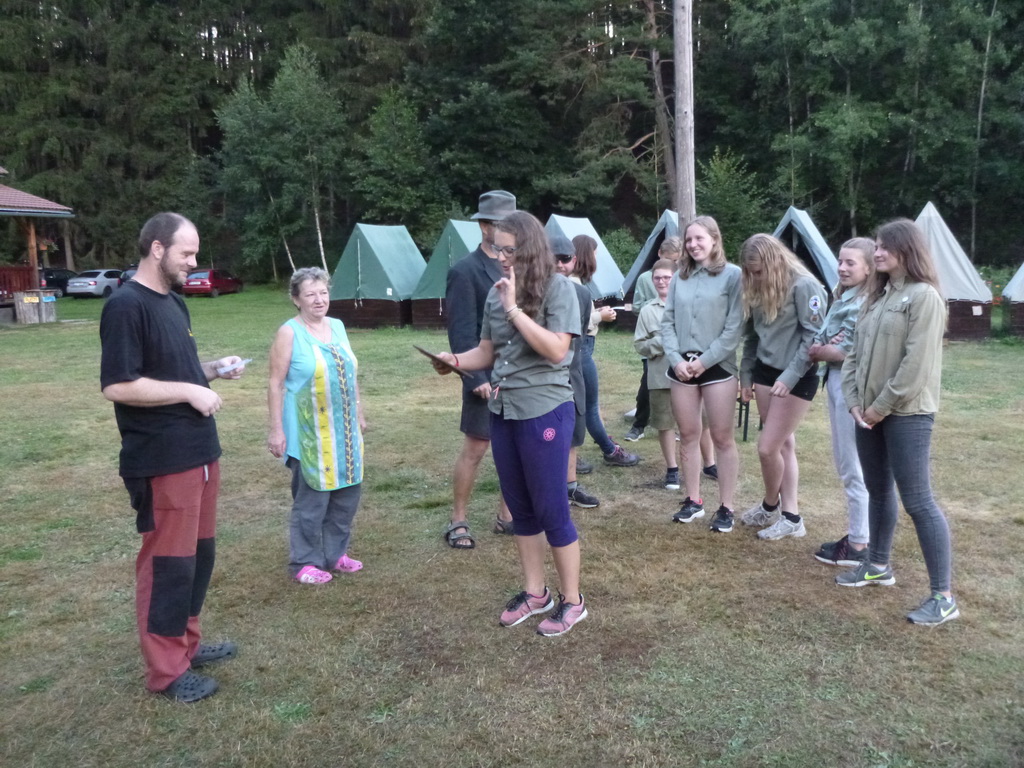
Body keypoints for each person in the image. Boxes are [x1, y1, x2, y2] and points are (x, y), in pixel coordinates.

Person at [100, 212, 244, 703]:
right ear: (157, 249)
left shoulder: (174, 302)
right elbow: (119, 384)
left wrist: (211, 370)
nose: (194, 262)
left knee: (197, 558)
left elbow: (171, 370)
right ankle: (166, 671)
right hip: (162, 458)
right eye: (187, 253)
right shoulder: (125, 306)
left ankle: (186, 645)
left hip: (199, 450)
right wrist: (188, 390)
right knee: (168, 563)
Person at [432, 211, 588, 636]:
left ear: (530, 248)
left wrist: (514, 309)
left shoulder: (558, 289)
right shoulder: (496, 292)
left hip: (546, 409)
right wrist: (455, 361)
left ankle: (573, 601)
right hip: (504, 411)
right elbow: (487, 351)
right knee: (520, 508)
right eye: (496, 248)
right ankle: (536, 593)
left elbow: (557, 350)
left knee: (551, 507)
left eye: (508, 249)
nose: (500, 257)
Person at [836, 220, 959, 626]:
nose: (877, 253)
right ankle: (877, 565)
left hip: (907, 414)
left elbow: (915, 365)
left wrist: (881, 406)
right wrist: (855, 402)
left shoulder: (925, 297)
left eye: (885, 247)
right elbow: (853, 355)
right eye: (876, 246)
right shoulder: (876, 296)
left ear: (907, 250)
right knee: (878, 491)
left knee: (918, 501)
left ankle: (943, 597)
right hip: (868, 413)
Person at [267, 268, 365, 585]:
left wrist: (359, 412)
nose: (319, 299)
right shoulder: (289, 333)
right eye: (310, 294)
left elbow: (350, 372)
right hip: (309, 431)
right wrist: (276, 429)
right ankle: (305, 562)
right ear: (297, 299)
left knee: (346, 495)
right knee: (312, 501)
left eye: (323, 292)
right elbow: (275, 383)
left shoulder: (337, 326)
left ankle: (335, 555)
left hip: (344, 429)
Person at [739, 234, 827, 540]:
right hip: (765, 372)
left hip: (797, 376)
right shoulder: (756, 285)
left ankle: (784, 512)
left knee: (767, 447)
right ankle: (780, 511)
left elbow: (814, 338)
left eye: (759, 271)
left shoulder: (805, 286)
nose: (755, 277)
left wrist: (789, 377)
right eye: (750, 272)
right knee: (783, 444)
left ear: (775, 262)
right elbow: (753, 336)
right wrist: (746, 374)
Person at [661, 216, 744, 531]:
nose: (693, 245)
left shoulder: (733, 275)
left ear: (714, 239)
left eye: (699, 238)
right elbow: (667, 322)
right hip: (681, 368)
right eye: (689, 239)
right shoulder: (679, 277)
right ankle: (693, 500)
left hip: (718, 367)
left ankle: (726, 506)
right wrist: (675, 359)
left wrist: (705, 361)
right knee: (688, 435)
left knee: (722, 437)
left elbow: (734, 328)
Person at [443, 191, 516, 548]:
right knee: (476, 449)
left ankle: (508, 516)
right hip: (483, 375)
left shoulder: (517, 267)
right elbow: (461, 333)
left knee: (513, 450)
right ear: (484, 226)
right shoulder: (465, 271)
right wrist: (475, 378)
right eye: (499, 223)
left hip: (517, 378)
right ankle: (458, 520)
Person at [807, 238, 874, 566]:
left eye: (851, 263)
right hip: (836, 380)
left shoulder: (862, 301)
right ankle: (859, 535)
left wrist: (824, 349)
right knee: (845, 462)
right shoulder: (843, 296)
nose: (842, 268)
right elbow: (822, 340)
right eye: (840, 261)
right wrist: (825, 347)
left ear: (868, 268)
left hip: (850, 385)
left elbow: (842, 349)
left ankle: (859, 544)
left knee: (852, 466)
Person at [572, 234, 639, 468]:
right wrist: (600, 316)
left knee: (578, 404)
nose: (596, 259)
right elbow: (574, 321)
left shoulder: (577, 282)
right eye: (594, 254)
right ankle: (609, 451)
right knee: (588, 406)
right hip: (580, 350)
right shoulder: (572, 283)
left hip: (582, 348)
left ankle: (572, 454)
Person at [552, 233, 600, 509]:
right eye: (554, 259)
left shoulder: (582, 294)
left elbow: (578, 337)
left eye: (565, 258)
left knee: (575, 428)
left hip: (573, 369)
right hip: (543, 374)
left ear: (574, 260)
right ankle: (549, 489)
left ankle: (570, 487)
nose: (560, 264)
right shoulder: (533, 290)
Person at [633, 259, 681, 490]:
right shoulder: (647, 311)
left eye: (666, 277)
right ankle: (672, 469)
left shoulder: (688, 305)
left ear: (676, 278)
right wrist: (663, 340)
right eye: (657, 278)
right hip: (661, 377)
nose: (661, 282)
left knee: (700, 424)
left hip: (690, 377)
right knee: (665, 424)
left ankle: (709, 463)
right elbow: (639, 345)